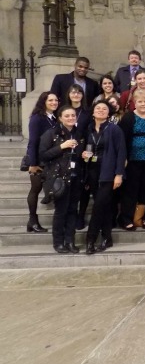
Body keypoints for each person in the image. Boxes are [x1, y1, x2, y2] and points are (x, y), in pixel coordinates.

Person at [39, 106, 86, 253]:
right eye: (67, 116)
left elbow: (78, 154)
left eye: (73, 115)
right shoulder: (51, 133)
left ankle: (70, 241)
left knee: (73, 210)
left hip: (75, 177)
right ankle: (58, 242)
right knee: (61, 211)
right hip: (59, 178)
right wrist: (61, 146)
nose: (71, 118)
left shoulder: (78, 133)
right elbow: (43, 155)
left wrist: (83, 154)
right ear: (60, 118)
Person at [83, 100, 127, 254]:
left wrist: (119, 174)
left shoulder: (114, 129)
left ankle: (90, 239)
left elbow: (121, 153)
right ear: (93, 112)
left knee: (98, 206)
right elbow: (84, 147)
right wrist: (83, 154)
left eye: (104, 109)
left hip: (108, 172)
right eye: (98, 108)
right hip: (92, 171)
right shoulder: (88, 129)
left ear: (109, 113)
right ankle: (107, 238)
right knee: (104, 206)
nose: (101, 110)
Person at [118, 89, 145, 231]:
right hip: (132, 160)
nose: (142, 104)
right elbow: (122, 140)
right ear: (134, 102)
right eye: (140, 101)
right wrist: (124, 158)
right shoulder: (128, 118)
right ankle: (127, 218)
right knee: (131, 189)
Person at [25, 92, 59, 232]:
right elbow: (32, 142)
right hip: (39, 160)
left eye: (56, 100)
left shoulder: (54, 117)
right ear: (43, 101)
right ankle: (33, 220)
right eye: (50, 100)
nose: (54, 102)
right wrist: (33, 163)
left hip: (51, 158)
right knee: (35, 189)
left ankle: (32, 222)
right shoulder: (37, 118)